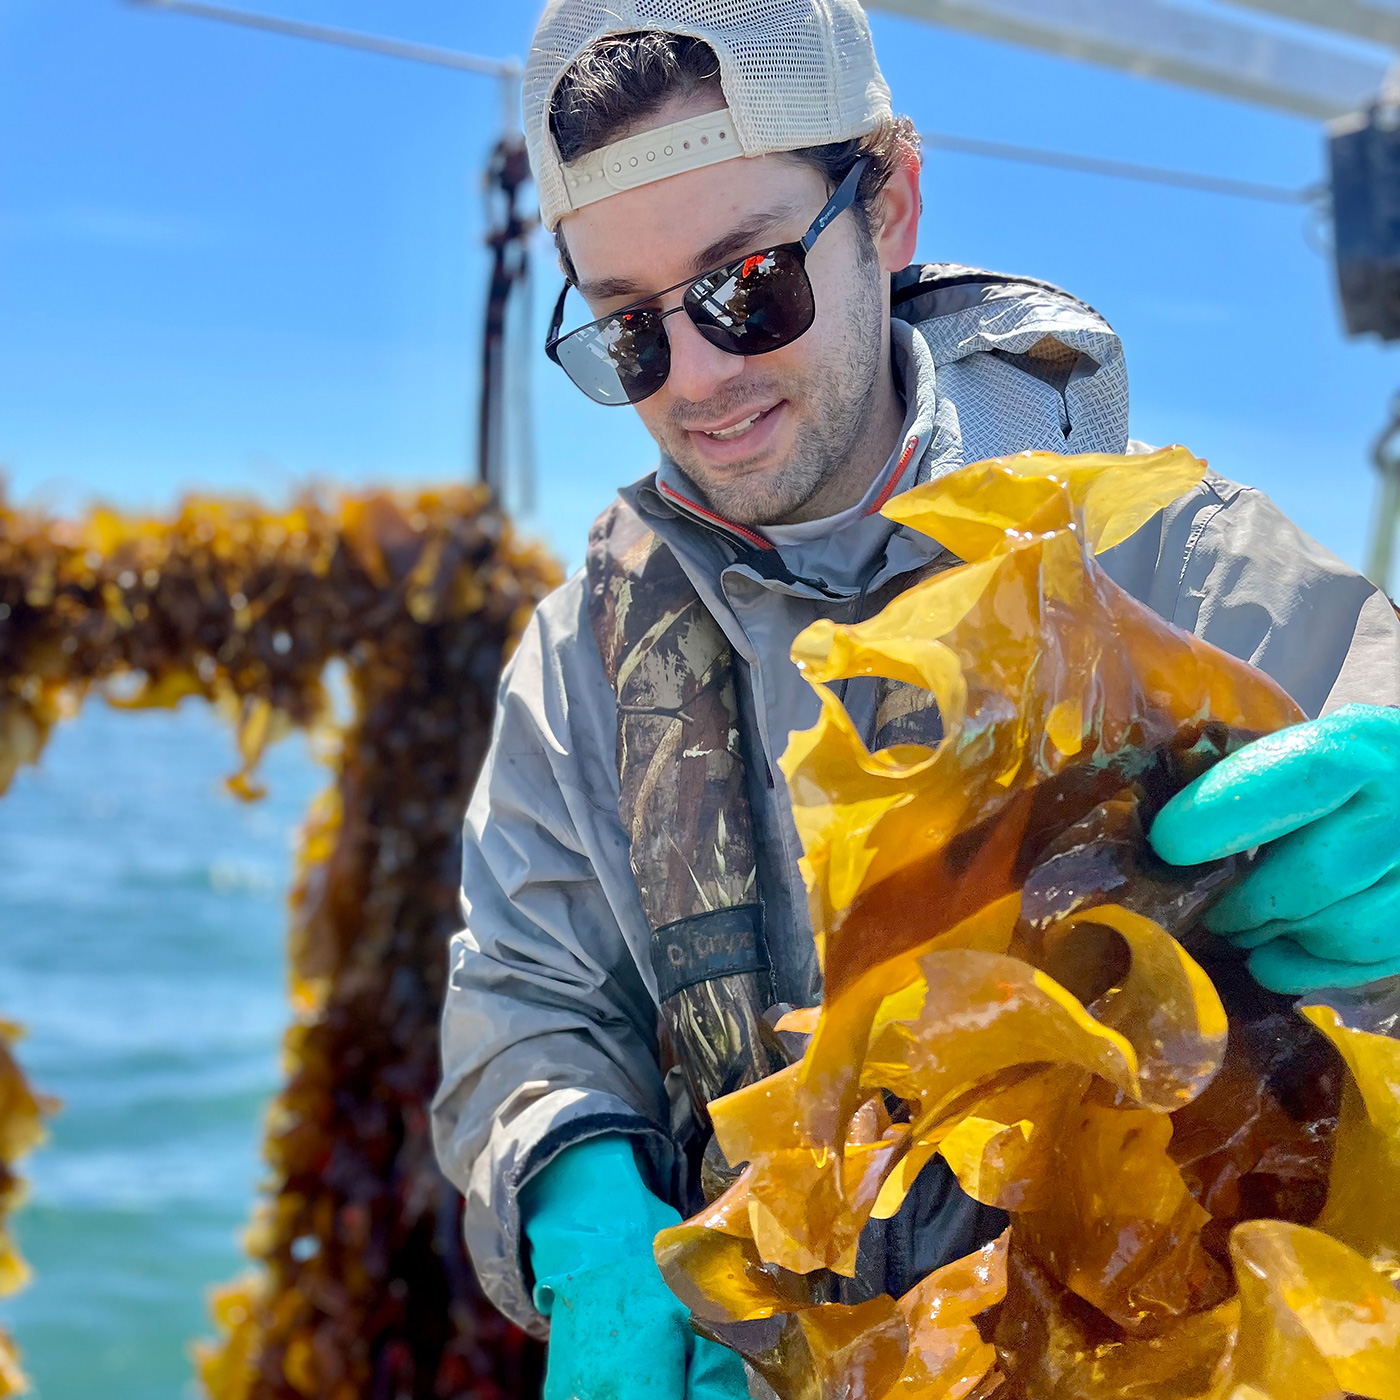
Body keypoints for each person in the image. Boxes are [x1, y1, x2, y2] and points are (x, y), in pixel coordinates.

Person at [431, 3, 1400, 1396]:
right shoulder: (583, 656)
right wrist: (570, 1180)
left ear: (887, 200)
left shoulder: (1185, 571)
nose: (698, 382)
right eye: (631, 333)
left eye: (744, 283)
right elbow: (525, 996)